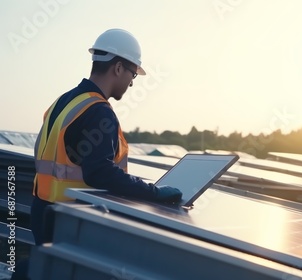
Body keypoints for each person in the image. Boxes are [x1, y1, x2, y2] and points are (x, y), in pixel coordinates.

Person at [11, 29, 182, 280]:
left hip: (43, 209)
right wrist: (154, 193)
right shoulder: (99, 111)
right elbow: (100, 172)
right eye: (133, 73)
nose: (132, 82)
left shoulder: (63, 101)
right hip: (71, 220)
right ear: (118, 68)